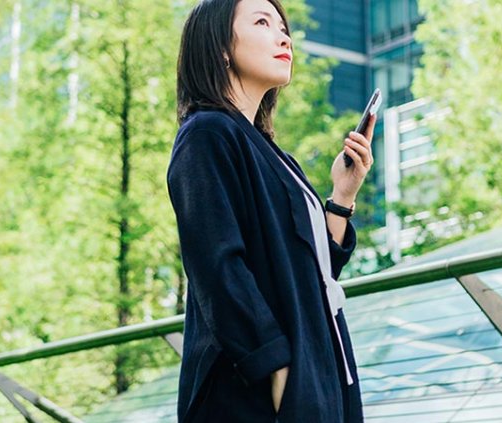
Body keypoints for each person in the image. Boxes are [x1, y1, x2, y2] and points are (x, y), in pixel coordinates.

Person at [166, 0, 376, 421]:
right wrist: (276, 369)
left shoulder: (275, 155)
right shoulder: (207, 134)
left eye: (284, 27)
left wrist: (342, 195)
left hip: (315, 371)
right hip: (254, 390)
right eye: (262, 22)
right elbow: (218, 269)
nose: (284, 36)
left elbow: (311, 272)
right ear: (221, 46)